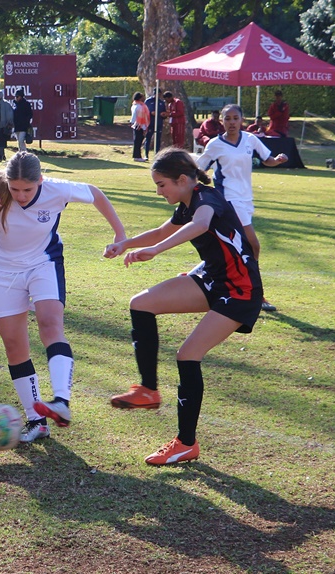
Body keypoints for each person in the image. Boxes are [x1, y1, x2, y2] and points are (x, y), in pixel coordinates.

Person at [0, 152, 126, 440]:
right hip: (4, 273)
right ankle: (37, 421)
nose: (20, 195)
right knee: (14, 346)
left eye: (27, 189)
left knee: (50, 325)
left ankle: (61, 401)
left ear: (40, 181)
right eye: (14, 188)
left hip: (44, 264)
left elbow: (95, 193)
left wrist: (119, 234)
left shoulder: (57, 188)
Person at [105, 148, 264, 465]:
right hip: (211, 279)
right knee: (141, 304)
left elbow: (201, 225)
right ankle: (148, 391)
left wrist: (156, 251)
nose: (158, 191)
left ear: (182, 180)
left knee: (187, 355)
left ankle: (185, 443)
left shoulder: (206, 199)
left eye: (161, 184)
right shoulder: (188, 200)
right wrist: (126, 243)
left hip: (240, 290)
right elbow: (164, 230)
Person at [196, 104, 287, 312]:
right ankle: (257, 294)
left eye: (235, 118)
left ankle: (203, 273)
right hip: (228, 200)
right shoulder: (215, 144)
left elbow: (268, 160)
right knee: (253, 246)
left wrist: (279, 160)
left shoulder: (250, 139)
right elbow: (199, 168)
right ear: (222, 121)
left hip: (246, 200)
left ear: (242, 120)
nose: (231, 122)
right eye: (227, 118)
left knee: (234, 246)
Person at [144, 89, 165, 157]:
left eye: (159, 94)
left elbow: (164, 113)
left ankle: (157, 154)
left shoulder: (161, 102)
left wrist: (163, 114)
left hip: (159, 123)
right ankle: (146, 154)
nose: (157, 95)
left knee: (158, 139)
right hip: (150, 123)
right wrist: (150, 113)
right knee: (148, 138)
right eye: (156, 94)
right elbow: (144, 112)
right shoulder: (148, 101)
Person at [130, 92, 150, 162]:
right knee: (138, 141)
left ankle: (138, 156)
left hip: (136, 125)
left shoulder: (134, 105)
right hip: (139, 125)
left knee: (138, 141)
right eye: (142, 97)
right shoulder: (140, 106)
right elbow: (141, 117)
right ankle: (137, 156)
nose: (144, 98)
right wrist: (143, 127)